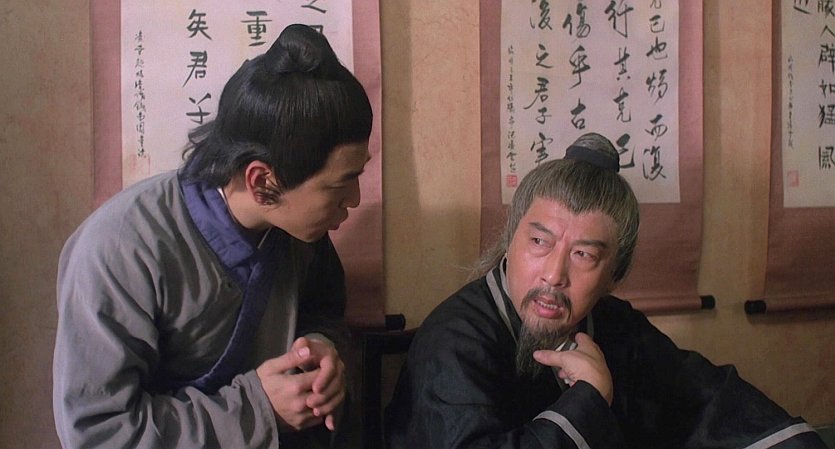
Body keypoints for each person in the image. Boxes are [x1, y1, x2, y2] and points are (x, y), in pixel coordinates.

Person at [385, 132, 827, 449]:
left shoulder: (614, 324)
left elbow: (706, 400)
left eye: (584, 255)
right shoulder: (453, 342)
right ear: (510, 239)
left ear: (616, 272)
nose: (553, 275)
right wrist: (589, 398)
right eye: (538, 242)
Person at [53, 24, 372, 449]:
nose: (355, 199)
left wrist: (319, 349)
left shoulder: (299, 229)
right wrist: (258, 408)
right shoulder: (119, 250)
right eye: (340, 184)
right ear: (262, 181)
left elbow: (322, 308)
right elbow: (98, 430)